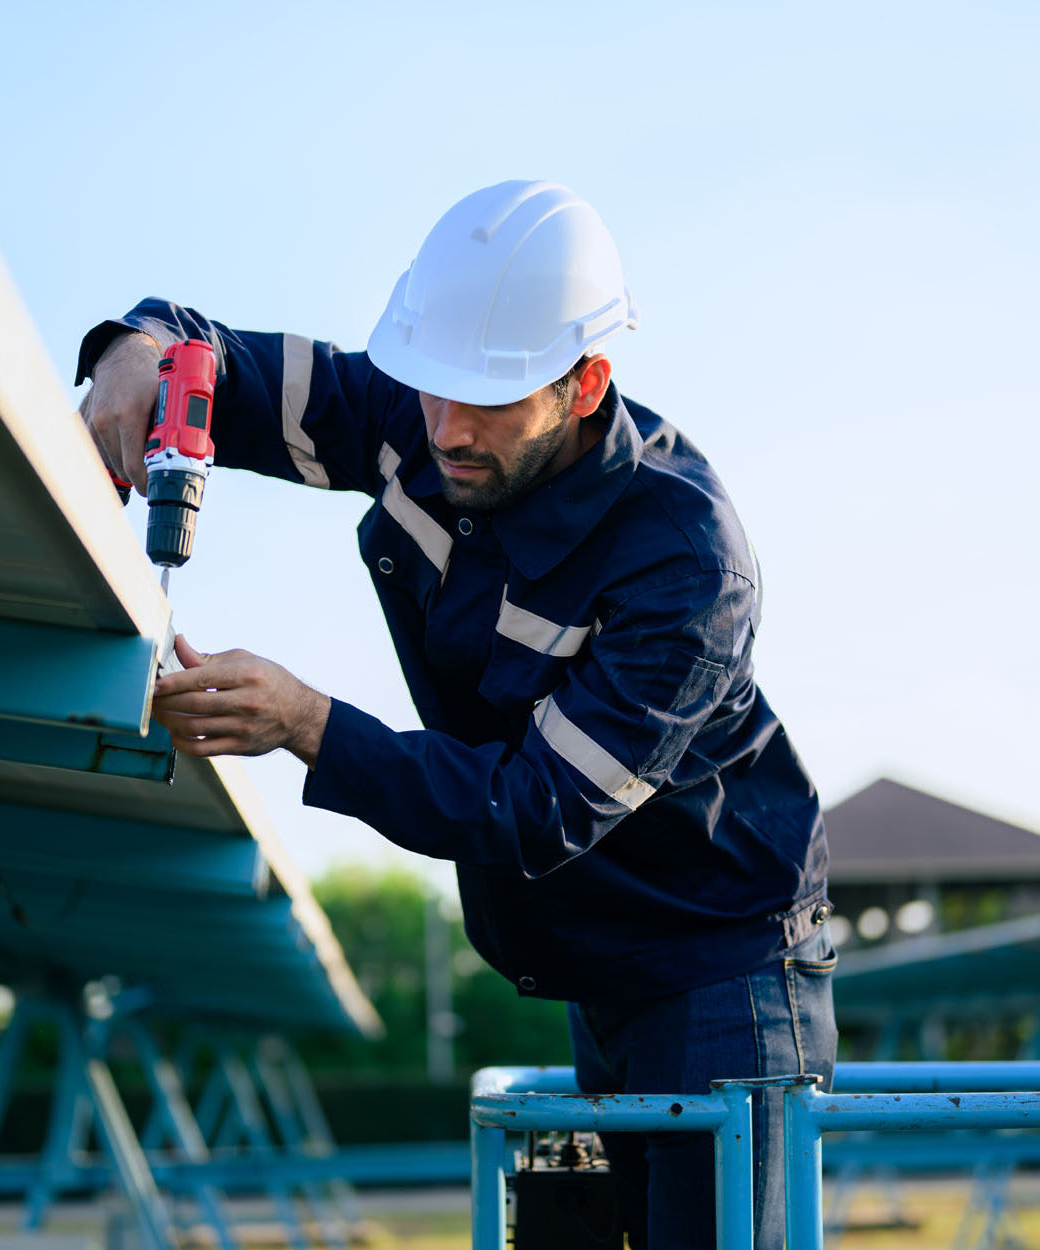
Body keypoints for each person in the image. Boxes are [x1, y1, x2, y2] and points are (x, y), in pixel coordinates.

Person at [77, 180, 837, 1249]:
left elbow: (532, 810)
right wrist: (136, 347)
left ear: (585, 383)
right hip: (600, 965)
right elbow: (222, 365)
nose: (443, 428)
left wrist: (306, 722)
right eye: (431, 387)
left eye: (485, 399)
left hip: (722, 968)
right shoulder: (423, 415)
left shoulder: (684, 564)